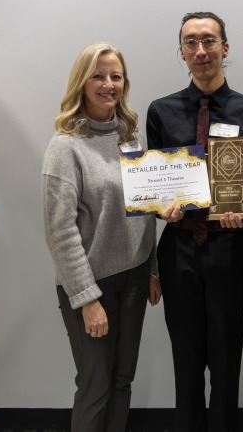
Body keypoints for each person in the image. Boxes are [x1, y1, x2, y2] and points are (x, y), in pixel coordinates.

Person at [146, 11, 243, 431]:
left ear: (225, 48)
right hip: (177, 246)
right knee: (185, 360)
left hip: (227, 247)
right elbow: (155, 183)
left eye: (209, 41)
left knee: (224, 356)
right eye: (191, 42)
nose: (201, 51)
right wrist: (160, 205)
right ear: (181, 52)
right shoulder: (160, 111)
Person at [42, 43, 161, 432]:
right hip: (92, 286)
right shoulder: (65, 147)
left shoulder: (130, 137)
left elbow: (142, 208)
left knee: (122, 380)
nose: (108, 84)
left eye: (116, 76)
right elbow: (60, 231)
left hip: (135, 276)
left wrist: (154, 268)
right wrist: (87, 298)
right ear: (82, 82)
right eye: (98, 75)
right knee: (95, 386)